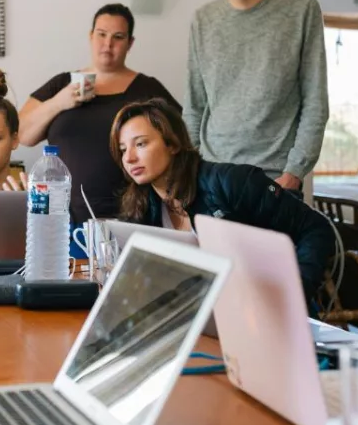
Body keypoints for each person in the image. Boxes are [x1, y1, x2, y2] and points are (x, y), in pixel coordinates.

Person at [110, 98, 335, 308]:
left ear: (172, 144)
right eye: (122, 150)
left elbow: (316, 228)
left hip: (264, 311)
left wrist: (295, 293)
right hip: (205, 315)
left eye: (140, 144)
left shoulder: (232, 182)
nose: (129, 158)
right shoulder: (142, 207)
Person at [185, 0, 328, 194]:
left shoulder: (300, 11)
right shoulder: (203, 19)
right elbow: (194, 106)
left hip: (274, 179)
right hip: (212, 175)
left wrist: (294, 172)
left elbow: (315, 101)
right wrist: (190, 170)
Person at [20, 3, 180, 228]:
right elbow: (22, 134)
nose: (108, 44)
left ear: (130, 43)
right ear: (90, 36)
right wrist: (59, 102)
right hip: (61, 217)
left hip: (133, 216)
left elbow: (180, 140)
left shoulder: (148, 89)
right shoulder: (62, 83)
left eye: (118, 37)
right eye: (101, 34)